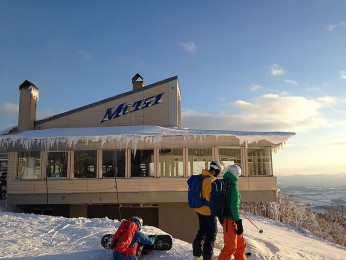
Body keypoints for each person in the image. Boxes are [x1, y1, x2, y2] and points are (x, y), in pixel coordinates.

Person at [192, 160, 223, 260]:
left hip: (200, 210)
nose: (218, 174)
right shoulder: (209, 180)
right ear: (215, 170)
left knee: (203, 231)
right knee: (212, 233)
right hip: (207, 211)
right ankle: (207, 256)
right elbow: (209, 197)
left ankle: (197, 253)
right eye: (218, 172)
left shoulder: (203, 176)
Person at [218, 165, 247, 260]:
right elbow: (234, 206)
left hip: (228, 219)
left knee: (240, 245)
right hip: (230, 220)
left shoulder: (225, 183)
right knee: (230, 248)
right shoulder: (233, 187)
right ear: (236, 174)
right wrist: (239, 222)